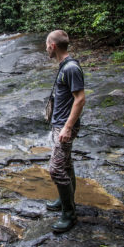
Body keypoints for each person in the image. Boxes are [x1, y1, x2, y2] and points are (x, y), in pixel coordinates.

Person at [44, 30, 86, 232]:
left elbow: (80, 99)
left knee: (56, 169)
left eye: (46, 45)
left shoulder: (70, 68)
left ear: (53, 46)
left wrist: (67, 128)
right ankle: (64, 200)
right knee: (66, 164)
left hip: (64, 126)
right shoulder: (64, 67)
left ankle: (69, 214)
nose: (46, 48)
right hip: (60, 124)